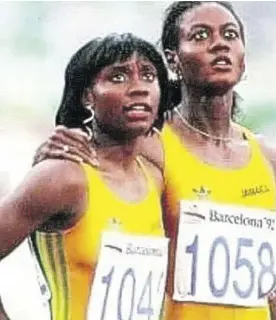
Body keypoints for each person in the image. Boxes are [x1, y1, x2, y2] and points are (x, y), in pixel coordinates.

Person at [33, 1, 276, 320]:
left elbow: (264, 277)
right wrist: (50, 154)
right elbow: (88, 172)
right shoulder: (149, 146)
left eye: (230, 34)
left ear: (244, 57)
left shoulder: (267, 158)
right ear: (172, 59)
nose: (219, 44)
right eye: (201, 35)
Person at [0, 33, 172, 320]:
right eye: (118, 77)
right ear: (87, 96)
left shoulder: (153, 175)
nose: (139, 88)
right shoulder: (64, 176)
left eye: (148, 76)